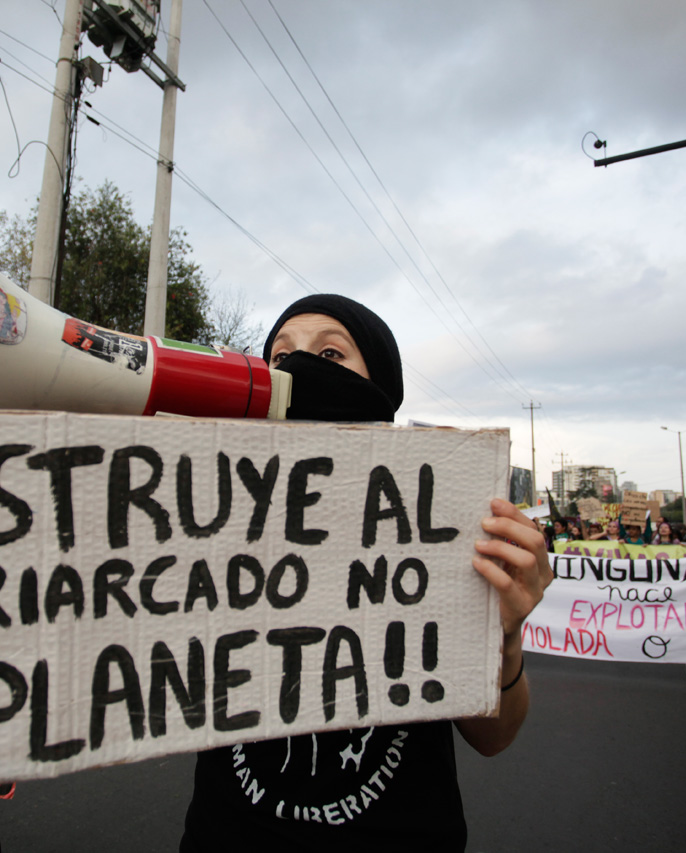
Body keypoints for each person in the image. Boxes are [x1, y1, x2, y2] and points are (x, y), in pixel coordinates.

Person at [180, 294, 552, 851]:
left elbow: (494, 737)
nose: (298, 368)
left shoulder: (443, 526)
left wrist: (502, 636)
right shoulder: (215, 516)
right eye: (278, 357)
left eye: (331, 354)